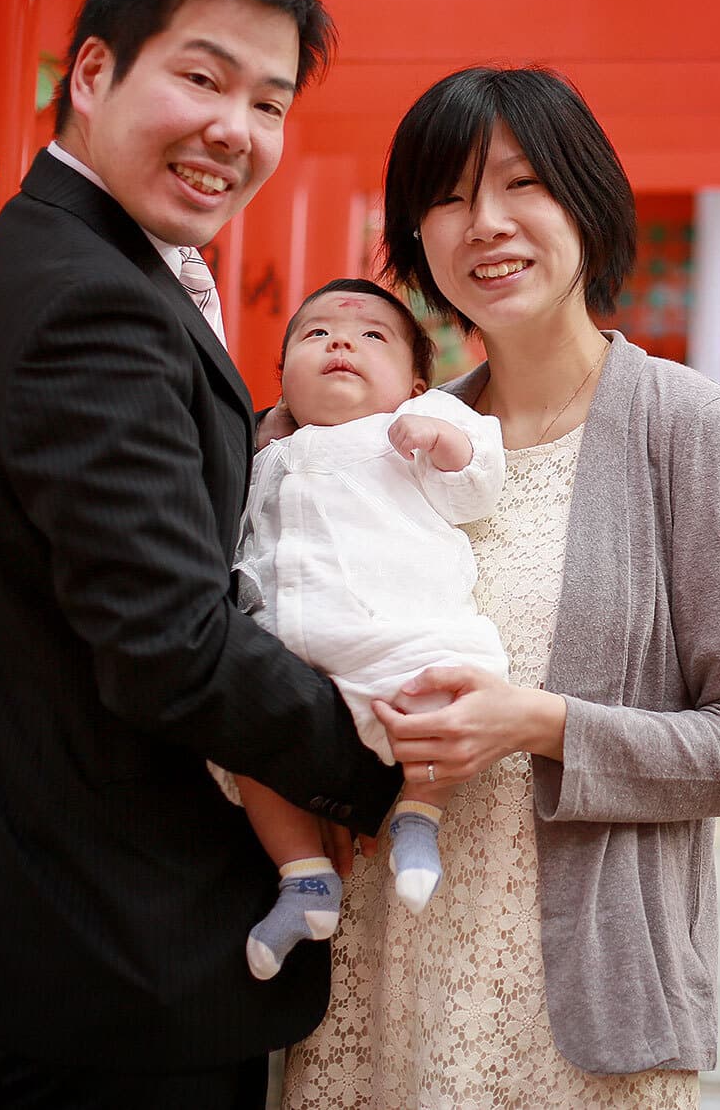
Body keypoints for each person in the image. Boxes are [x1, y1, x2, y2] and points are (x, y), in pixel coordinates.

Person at [0, 0, 402, 1108]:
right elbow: (169, 647)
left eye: (270, 103)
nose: (233, 131)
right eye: (200, 76)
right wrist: (386, 766)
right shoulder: (90, 304)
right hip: (125, 945)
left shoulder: (80, 262)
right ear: (92, 71)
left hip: (90, 926)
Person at [282, 66, 720, 1109]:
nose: (486, 224)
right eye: (449, 195)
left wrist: (539, 722)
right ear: (412, 236)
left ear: (587, 202)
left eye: (522, 184)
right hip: (378, 983)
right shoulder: (386, 439)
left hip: (577, 1014)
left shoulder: (685, 429)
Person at [228, 278, 508, 981]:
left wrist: (443, 441)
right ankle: (304, 877)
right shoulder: (264, 450)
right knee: (242, 741)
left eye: (371, 336)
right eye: (316, 334)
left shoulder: (415, 429)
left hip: (395, 634)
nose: (342, 341)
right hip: (289, 648)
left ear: (415, 382)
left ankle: (419, 812)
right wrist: (260, 439)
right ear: (284, 378)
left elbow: (478, 482)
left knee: (442, 699)